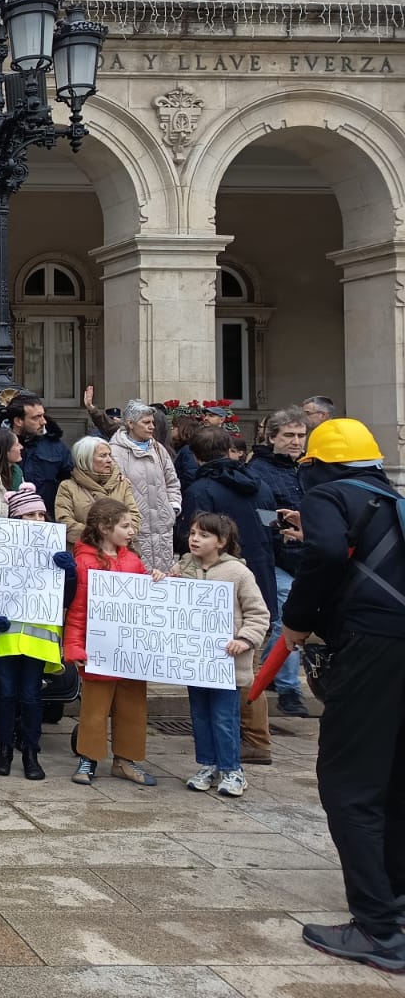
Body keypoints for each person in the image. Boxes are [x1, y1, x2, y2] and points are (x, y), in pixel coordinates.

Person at [280, 418, 405, 971]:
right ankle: (395, 897)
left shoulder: (328, 494)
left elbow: (328, 552)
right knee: (394, 778)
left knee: (348, 784)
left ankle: (378, 929)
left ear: (319, 466)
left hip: (370, 644)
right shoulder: (392, 499)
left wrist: (298, 618)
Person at [64, 497, 166, 786]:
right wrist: (74, 646)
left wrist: (157, 578)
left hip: (131, 652)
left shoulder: (134, 561)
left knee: (133, 708)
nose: (132, 531)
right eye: (125, 525)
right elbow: (78, 611)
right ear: (104, 527)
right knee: (94, 710)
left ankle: (125, 761)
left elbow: (149, 602)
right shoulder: (83, 563)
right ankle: (88, 758)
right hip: (99, 651)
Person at [175, 511, 268, 799]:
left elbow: (258, 614)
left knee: (224, 717)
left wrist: (245, 640)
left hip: (227, 664)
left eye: (203, 535)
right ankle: (209, 765)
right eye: (192, 533)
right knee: (200, 716)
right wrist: (161, 579)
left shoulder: (238, 573)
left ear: (221, 541)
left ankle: (232, 769)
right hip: (195, 661)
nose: (194, 539)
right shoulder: (183, 566)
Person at [0, 485, 71, 780]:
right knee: (6, 694)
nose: (37, 520)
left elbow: (67, 598)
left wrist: (69, 574)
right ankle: (4, 750)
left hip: (37, 639)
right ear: (15, 519)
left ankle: (31, 752)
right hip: (5, 636)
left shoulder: (56, 550)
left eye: (41, 514)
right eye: (30, 514)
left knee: (32, 696)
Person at [247, 406, 314, 719]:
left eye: (301, 435)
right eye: (289, 435)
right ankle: (289, 688)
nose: (296, 441)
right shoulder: (257, 470)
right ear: (272, 437)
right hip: (274, 557)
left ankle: (273, 673)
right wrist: (283, 524)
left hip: (308, 556)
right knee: (285, 617)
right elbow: (256, 515)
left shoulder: (310, 469)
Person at [177, 425, 279, 610]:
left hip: (217, 589)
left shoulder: (199, 491)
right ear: (228, 449)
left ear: (195, 456)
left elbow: (189, 541)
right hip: (261, 579)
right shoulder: (262, 486)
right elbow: (273, 529)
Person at [108, 399, 181, 574]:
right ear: (130, 424)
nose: (152, 427)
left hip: (162, 530)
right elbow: (113, 489)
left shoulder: (158, 449)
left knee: (163, 578)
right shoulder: (115, 452)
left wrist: (172, 508)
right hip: (134, 529)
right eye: (146, 422)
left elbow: (172, 482)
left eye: (152, 422)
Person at [56, 435, 141, 545]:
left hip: (119, 552)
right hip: (84, 551)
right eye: (103, 456)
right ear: (85, 460)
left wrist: (113, 537)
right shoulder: (67, 487)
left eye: (110, 455)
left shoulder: (122, 484)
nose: (109, 460)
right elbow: (64, 522)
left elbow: (134, 518)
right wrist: (101, 536)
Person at [9, 392, 74, 515]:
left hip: (46, 517)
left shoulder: (55, 445)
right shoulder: (0, 444)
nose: (43, 421)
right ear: (18, 421)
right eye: (36, 417)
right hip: (9, 519)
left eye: (43, 415)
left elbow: (70, 481)